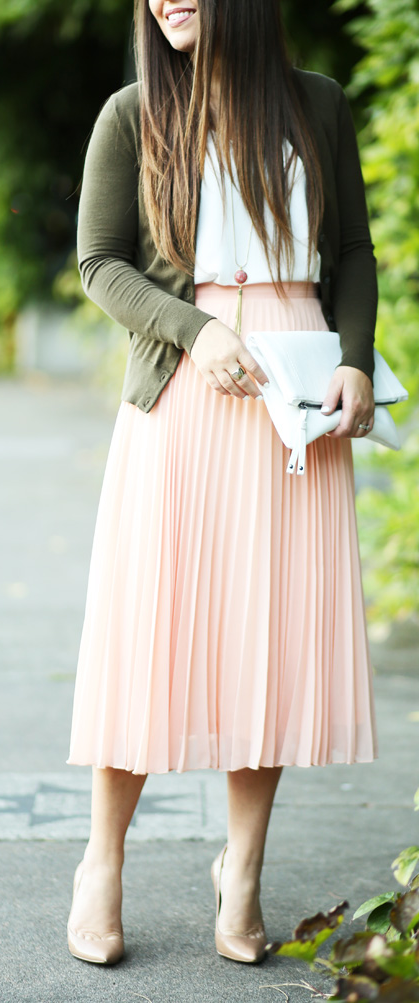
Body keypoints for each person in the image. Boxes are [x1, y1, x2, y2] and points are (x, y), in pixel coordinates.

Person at [66, 0, 378, 967]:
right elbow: (100, 264)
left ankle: (240, 869)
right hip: (183, 399)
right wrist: (194, 331)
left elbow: (354, 255)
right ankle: (102, 862)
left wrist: (357, 361)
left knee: (270, 639)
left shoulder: (317, 106)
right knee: (147, 630)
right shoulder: (133, 114)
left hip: (295, 396)